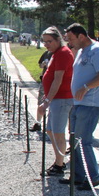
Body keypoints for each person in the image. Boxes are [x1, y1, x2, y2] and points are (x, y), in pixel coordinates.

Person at [60, 23, 99, 191]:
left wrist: (86, 87)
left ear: (81, 36)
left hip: (90, 104)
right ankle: (78, 176)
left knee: (83, 141)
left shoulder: (97, 51)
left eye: (71, 39)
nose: (69, 43)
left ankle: (94, 177)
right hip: (78, 103)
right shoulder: (82, 51)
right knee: (74, 140)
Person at [36, 27, 74, 176]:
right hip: (57, 99)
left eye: (49, 41)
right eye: (44, 41)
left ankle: (59, 164)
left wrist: (46, 101)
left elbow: (58, 80)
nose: (46, 44)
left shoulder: (63, 54)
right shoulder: (56, 54)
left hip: (62, 98)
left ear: (58, 39)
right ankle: (60, 159)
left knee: (58, 132)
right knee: (50, 130)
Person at [30, 49, 53, 132]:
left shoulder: (59, 54)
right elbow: (40, 64)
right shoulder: (47, 53)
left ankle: (50, 126)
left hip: (54, 82)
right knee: (40, 102)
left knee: (53, 104)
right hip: (44, 81)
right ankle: (38, 123)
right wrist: (43, 64)